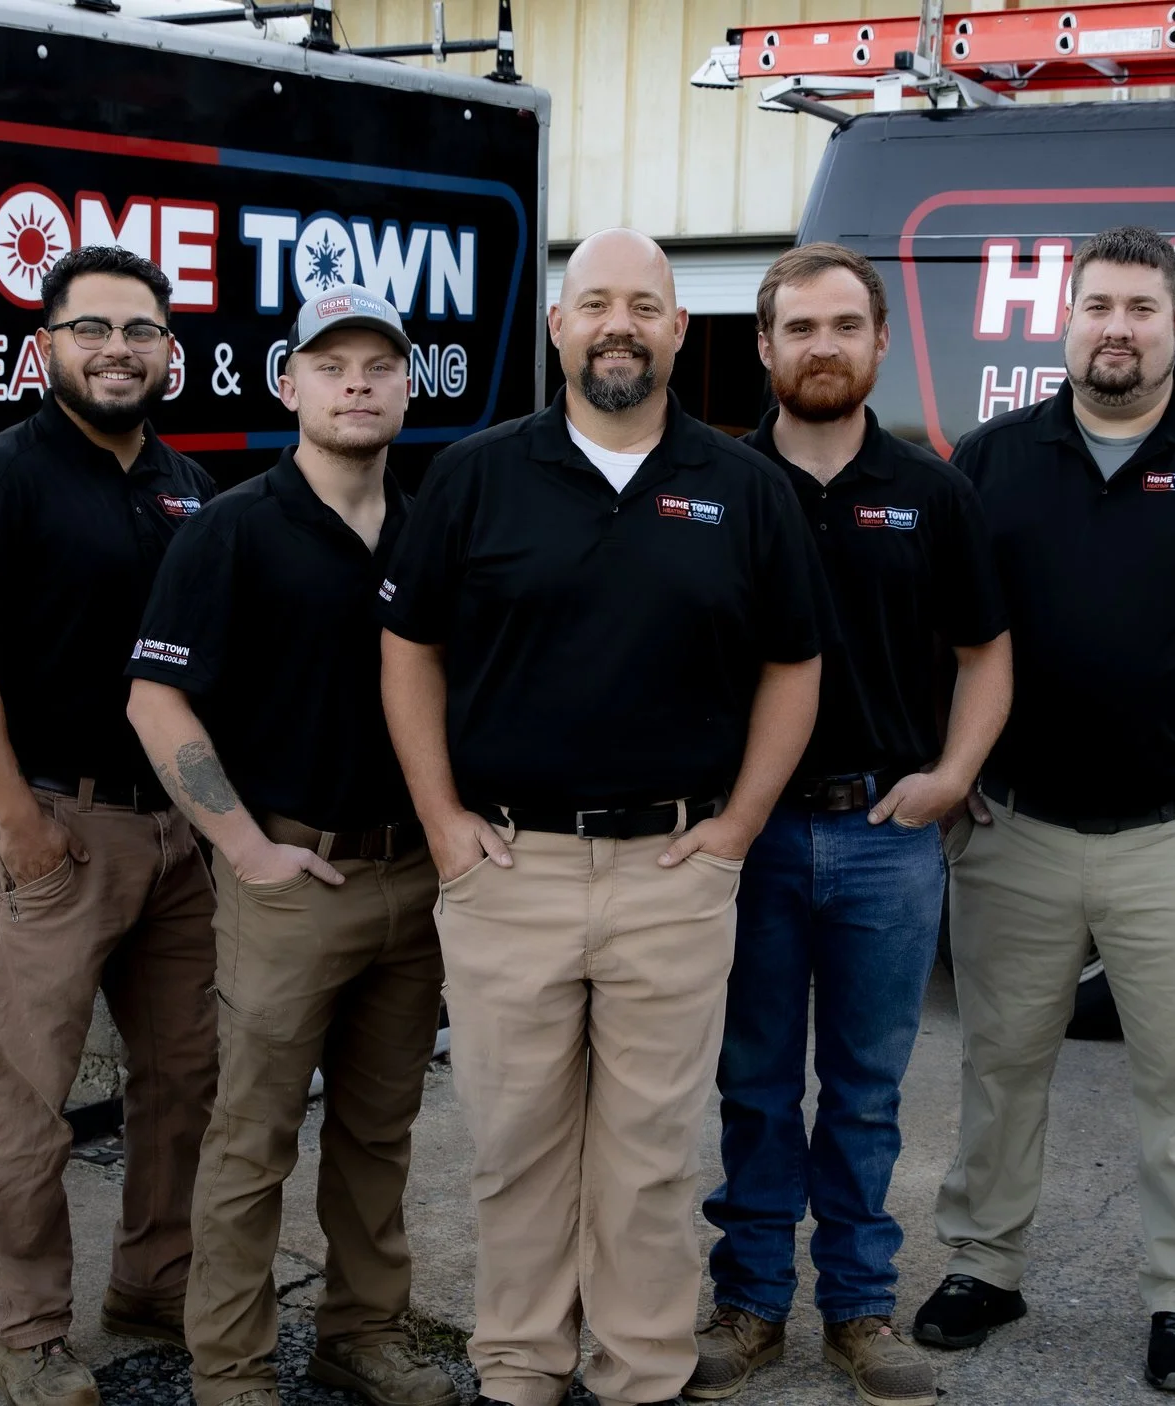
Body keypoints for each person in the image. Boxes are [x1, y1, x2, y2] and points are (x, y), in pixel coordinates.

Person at [376, 227, 825, 1406]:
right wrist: (441, 823)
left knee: (649, 1159)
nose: (618, 323)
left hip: (674, 869)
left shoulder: (747, 488)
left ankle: (640, 1371)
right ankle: (519, 1366)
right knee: (512, 1145)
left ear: (681, 329)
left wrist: (734, 830)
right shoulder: (474, 475)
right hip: (507, 863)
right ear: (559, 326)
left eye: (644, 304)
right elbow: (407, 649)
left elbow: (795, 664)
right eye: (595, 303)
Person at [908, 226, 1175, 1395]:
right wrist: (954, 779)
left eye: (1141, 307)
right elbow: (942, 639)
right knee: (999, 1064)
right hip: (1016, 829)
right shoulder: (990, 460)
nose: (1118, 326)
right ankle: (985, 1264)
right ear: (1062, 321)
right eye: (1097, 304)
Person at [687, 244, 1011, 1406]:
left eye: (843, 325)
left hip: (886, 833)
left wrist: (951, 771)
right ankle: (750, 1301)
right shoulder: (714, 481)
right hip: (752, 835)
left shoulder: (935, 490)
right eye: (798, 327)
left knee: (867, 1089)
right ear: (764, 346)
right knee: (756, 1081)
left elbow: (987, 651)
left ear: (878, 342)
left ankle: (860, 1309)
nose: (822, 345)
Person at [125, 289, 458, 1406]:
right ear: (289, 387)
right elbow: (156, 703)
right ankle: (232, 1365)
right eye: (331, 365)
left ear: (409, 386)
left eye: (378, 364)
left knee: (379, 1131)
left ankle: (362, 1331)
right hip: (289, 881)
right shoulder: (231, 526)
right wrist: (245, 847)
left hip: (413, 874)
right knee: (251, 1140)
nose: (355, 381)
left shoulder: (432, 526)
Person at [0, 245, 221, 1406]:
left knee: (184, 1075)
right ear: (47, 348)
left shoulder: (185, 483)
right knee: (30, 1095)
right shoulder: (0, 478)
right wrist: (14, 821)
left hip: (171, 836)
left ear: (169, 354)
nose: (117, 349)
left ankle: (154, 1276)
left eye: (139, 330)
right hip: (51, 822)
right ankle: (29, 1325)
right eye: (91, 328)